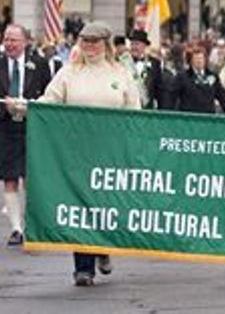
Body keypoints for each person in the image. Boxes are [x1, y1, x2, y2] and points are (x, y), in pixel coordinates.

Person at [38, 21, 141, 286]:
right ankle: (83, 267)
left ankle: (103, 247)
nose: (89, 47)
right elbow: (49, 102)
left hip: (111, 151)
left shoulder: (120, 74)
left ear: (106, 45)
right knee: (80, 205)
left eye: (94, 42)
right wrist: (25, 108)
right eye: (85, 41)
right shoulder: (68, 73)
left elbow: (134, 112)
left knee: (105, 204)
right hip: (77, 151)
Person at [0, 24, 51, 246]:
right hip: (5, 126)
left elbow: (50, 94)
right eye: (6, 39)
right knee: (9, 177)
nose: (9, 44)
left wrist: (29, 106)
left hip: (32, 126)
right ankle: (16, 228)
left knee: (32, 178)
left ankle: (33, 225)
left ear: (25, 42)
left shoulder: (39, 64)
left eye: (14, 40)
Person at [169, 44, 225, 114]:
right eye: (196, 59)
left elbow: (223, 98)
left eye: (201, 58)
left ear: (205, 60)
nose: (199, 61)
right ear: (191, 60)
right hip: (188, 118)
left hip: (208, 118)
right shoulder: (182, 77)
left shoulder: (213, 77)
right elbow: (171, 98)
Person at [128, 29, 162, 109]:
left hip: (146, 110)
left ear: (144, 46)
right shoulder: (123, 62)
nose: (133, 47)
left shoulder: (155, 63)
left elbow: (159, 90)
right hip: (128, 109)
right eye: (132, 44)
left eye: (137, 44)